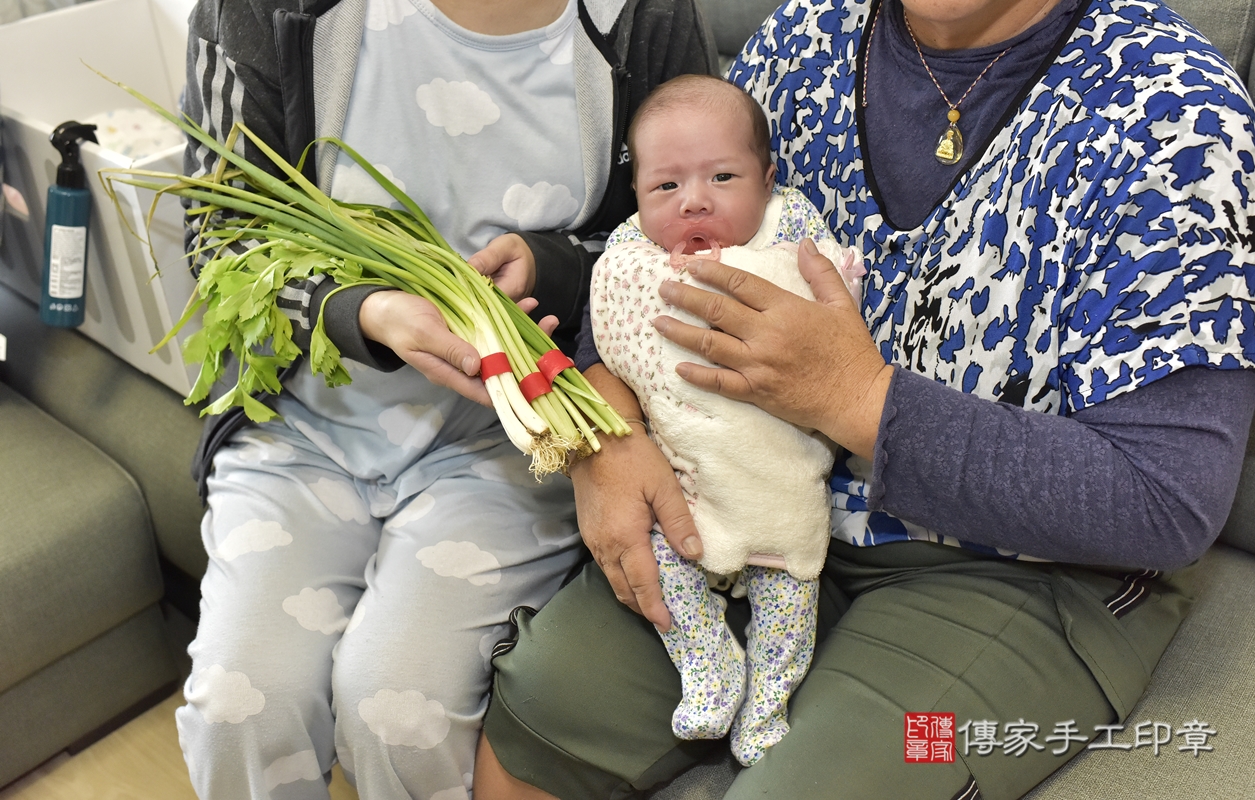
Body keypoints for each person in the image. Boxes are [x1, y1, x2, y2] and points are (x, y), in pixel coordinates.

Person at [472, 0, 1255, 797]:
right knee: (539, 707)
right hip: (750, 501)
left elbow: (1165, 500)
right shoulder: (806, 35)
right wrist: (605, 430)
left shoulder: (1170, 110)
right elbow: (653, 253)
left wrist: (854, 397)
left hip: (1022, 572)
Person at [171, 1, 715, 798]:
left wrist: (552, 264)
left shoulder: (641, 16)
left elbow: (684, 233)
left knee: (398, 710)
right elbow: (219, 229)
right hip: (299, 430)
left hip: (510, 442)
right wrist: (363, 312)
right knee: (239, 708)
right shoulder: (268, 10)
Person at [588, 74, 864, 766]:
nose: (694, 201)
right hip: (683, 471)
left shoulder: (791, 225)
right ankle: (709, 663)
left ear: (767, 178)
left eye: (721, 176)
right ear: (636, 196)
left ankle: (767, 704)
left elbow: (830, 294)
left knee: (788, 591)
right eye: (665, 188)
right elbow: (614, 310)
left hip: (777, 468)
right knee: (660, 560)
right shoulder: (633, 249)